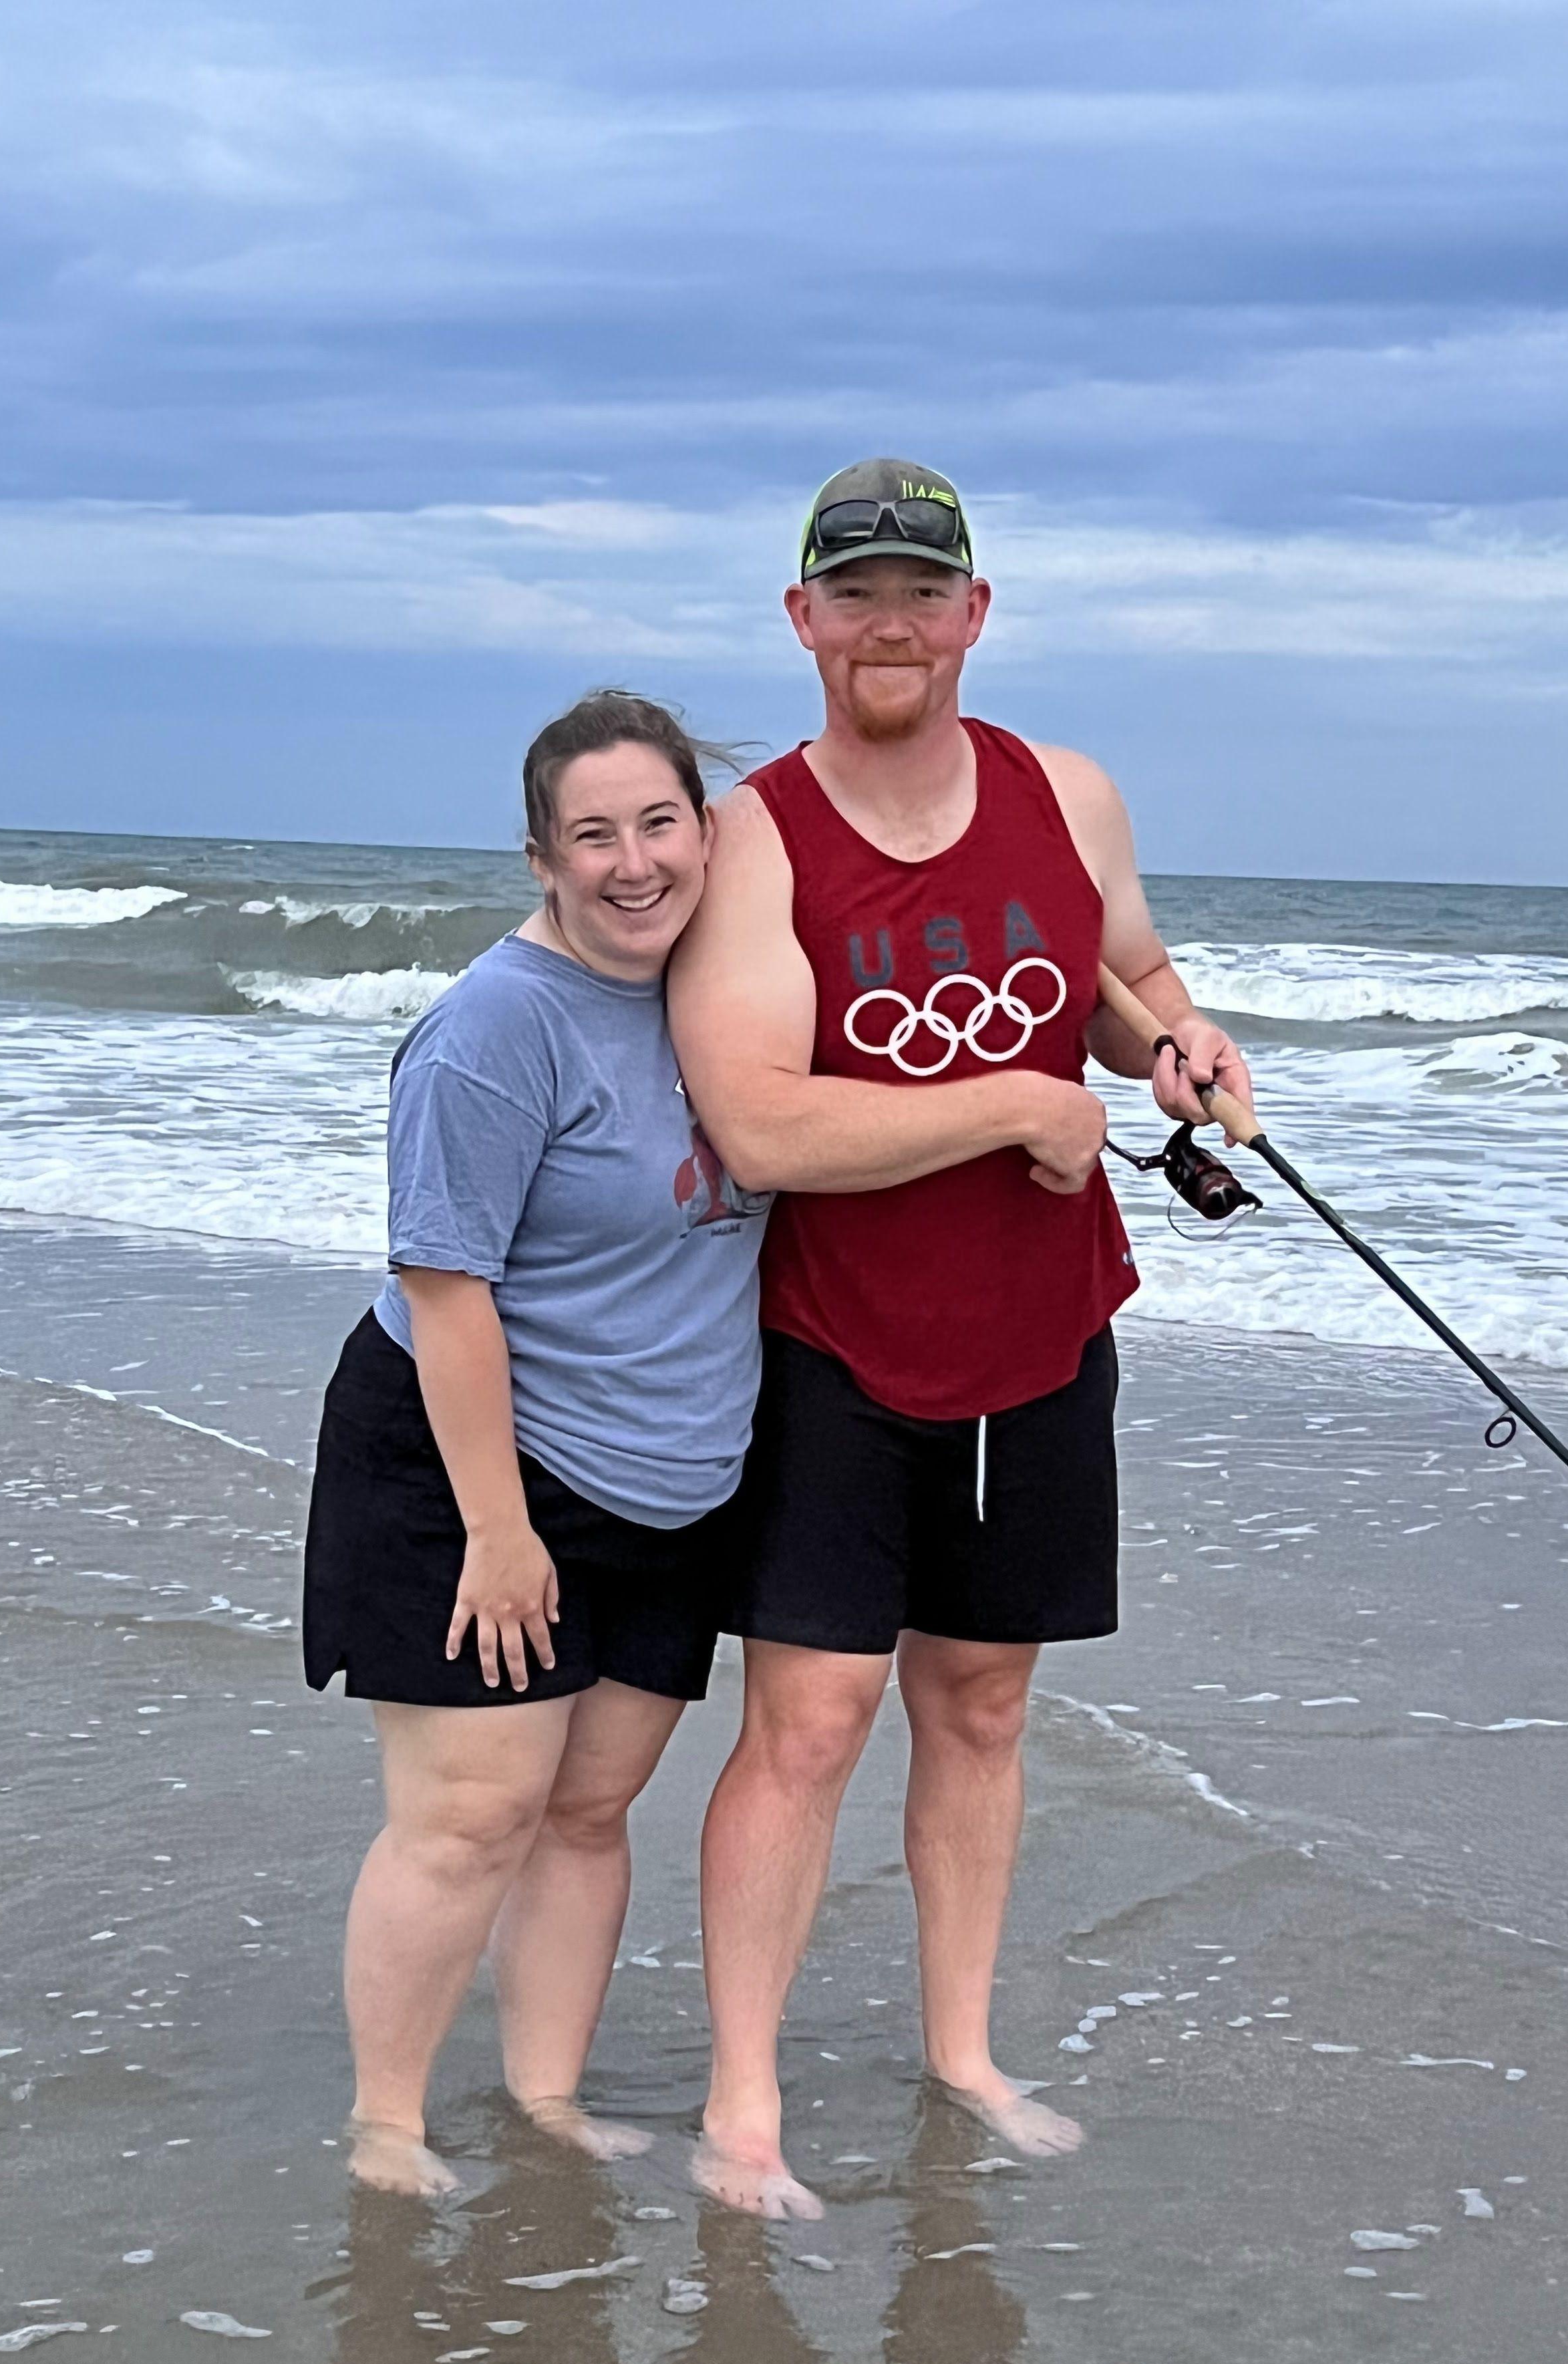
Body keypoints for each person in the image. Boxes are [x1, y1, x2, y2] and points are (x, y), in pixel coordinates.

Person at [665, 459, 1256, 2218]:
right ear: (804, 622)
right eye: (856, 594)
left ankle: (963, 2051)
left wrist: (1179, 1041)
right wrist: (1014, 1102)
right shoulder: (756, 836)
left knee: (983, 1707)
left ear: (977, 615)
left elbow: (1122, 969)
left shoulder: (1067, 793)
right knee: (812, 1721)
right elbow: (763, 1124)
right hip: (833, 1345)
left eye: (924, 589)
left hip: (1043, 1331)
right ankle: (746, 2102)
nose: (892, 621)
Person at [303, 691, 769, 2198]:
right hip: (477, 1462)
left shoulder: (734, 988)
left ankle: (546, 2096)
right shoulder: (492, 1028)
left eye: (659, 824)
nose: (633, 864)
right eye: (593, 836)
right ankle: (388, 2120)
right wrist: (498, 1530)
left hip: (675, 1476)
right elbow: (446, 1293)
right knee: (474, 1811)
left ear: (707, 831)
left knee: (586, 1806)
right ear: (539, 859)